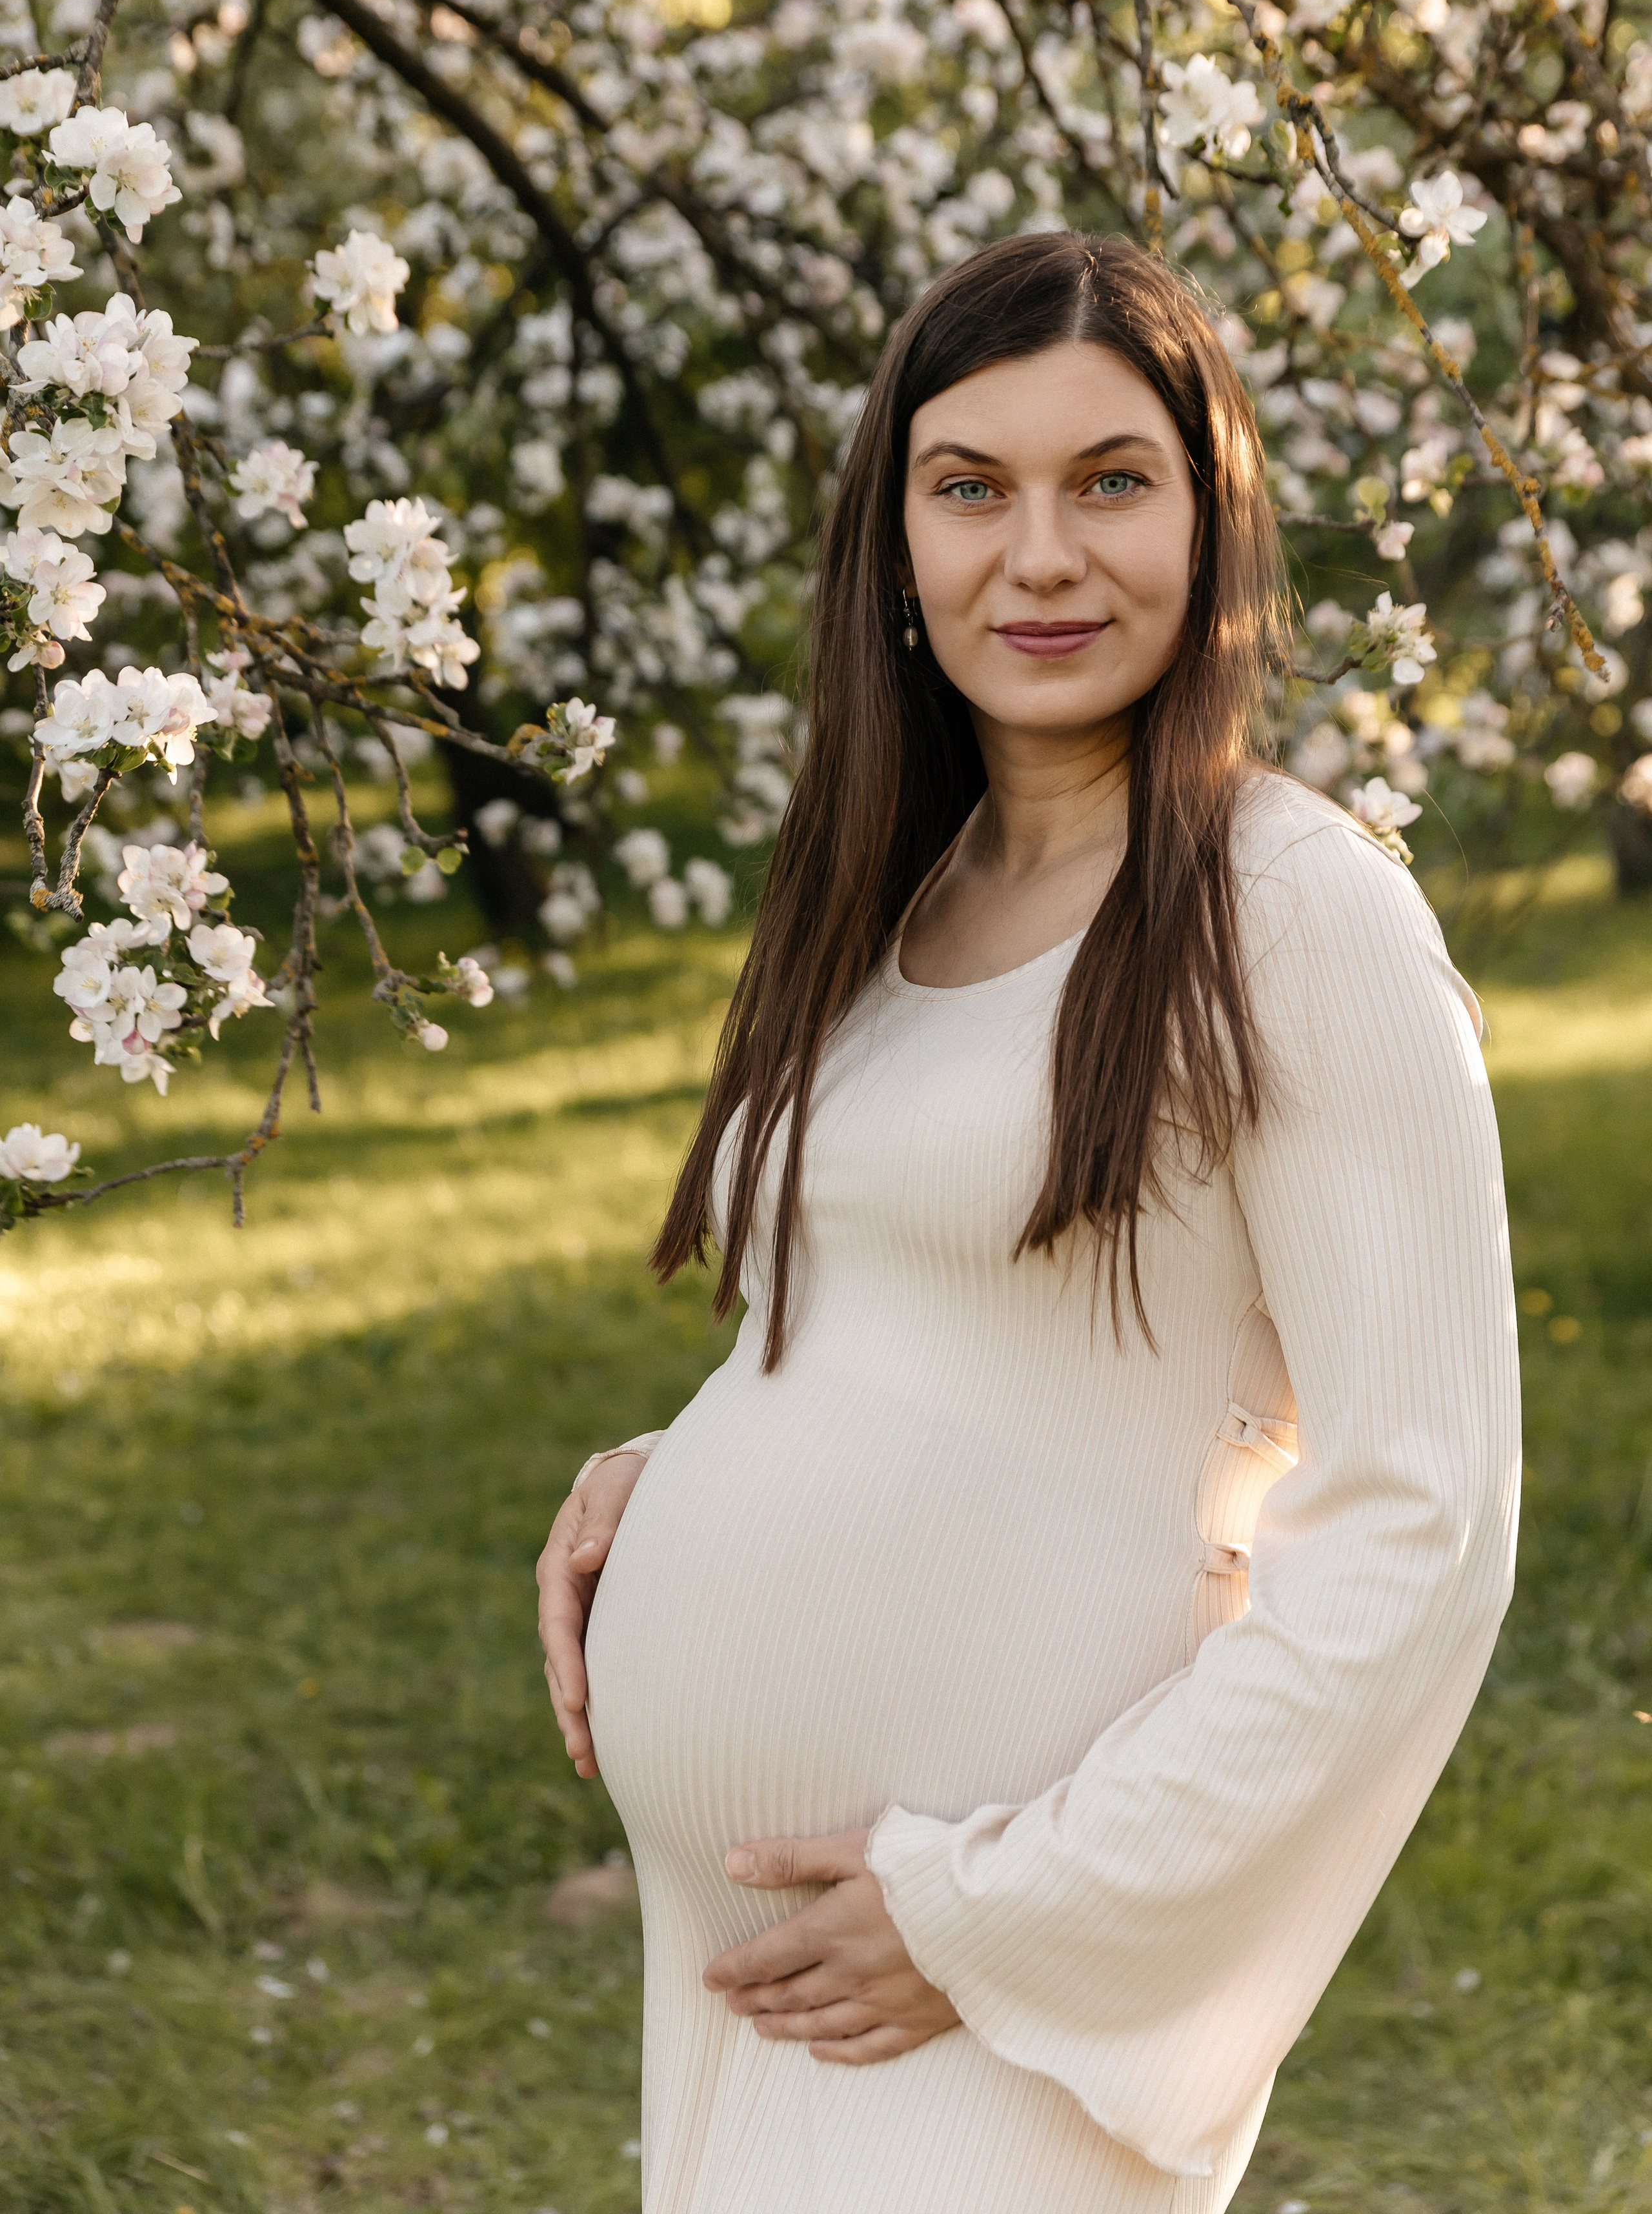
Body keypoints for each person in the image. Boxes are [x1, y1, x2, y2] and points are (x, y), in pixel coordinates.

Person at [534, 232, 1520, 2214]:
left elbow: (1425, 1528)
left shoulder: (1294, 909)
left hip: (979, 1970)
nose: (1042, 557)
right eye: (972, 488)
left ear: (1215, 517)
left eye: (1113, 482)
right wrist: (673, 1469)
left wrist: (997, 1917)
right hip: (763, 1957)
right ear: (894, 542)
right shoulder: (890, 899)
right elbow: (928, 1324)